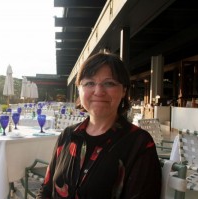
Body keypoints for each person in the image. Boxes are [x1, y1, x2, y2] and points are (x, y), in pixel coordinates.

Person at [37, 52, 161, 199]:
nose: (99, 91)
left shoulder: (139, 143)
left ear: (124, 90)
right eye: (89, 83)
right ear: (79, 90)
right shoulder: (68, 135)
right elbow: (46, 189)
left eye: (109, 83)